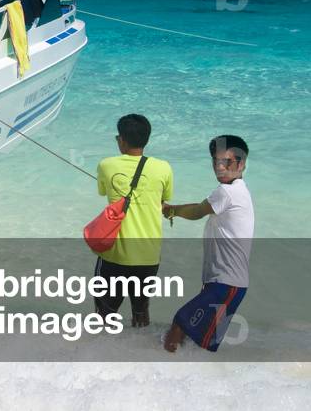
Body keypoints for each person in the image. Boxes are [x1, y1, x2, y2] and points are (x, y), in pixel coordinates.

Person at [163, 135, 254, 353]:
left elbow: (196, 212)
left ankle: (159, 369)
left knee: (181, 322)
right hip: (230, 284)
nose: (220, 167)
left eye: (227, 162)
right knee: (202, 344)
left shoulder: (228, 192)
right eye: (215, 161)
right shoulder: (238, 190)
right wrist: (172, 209)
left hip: (226, 284)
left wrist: (170, 210)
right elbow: (202, 207)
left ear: (241, 164)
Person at [93, 114, 174, 328]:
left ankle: (98, 355)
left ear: (122, 140)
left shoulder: (106, 165)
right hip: (148, 256)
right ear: (146, 139)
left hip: (115, 254)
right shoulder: (163, 167)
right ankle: (140, 353)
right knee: (140, 311)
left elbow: (103, 191)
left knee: (104, 314)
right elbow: (165, 198)